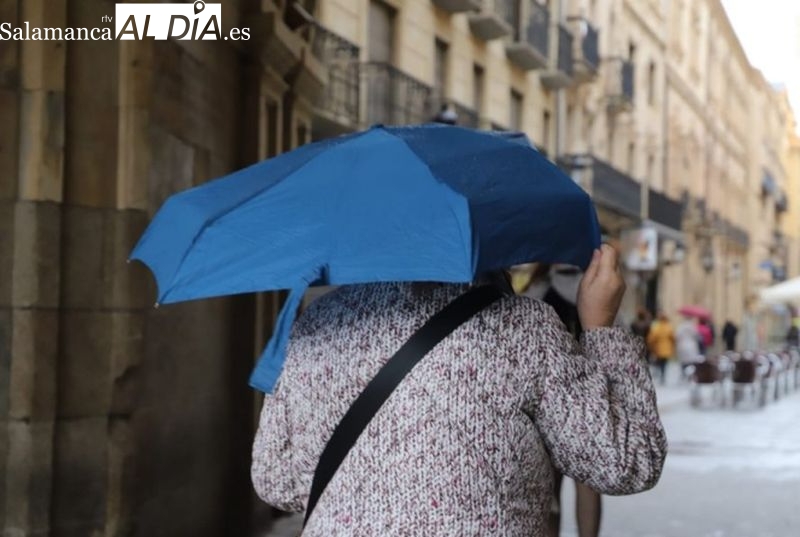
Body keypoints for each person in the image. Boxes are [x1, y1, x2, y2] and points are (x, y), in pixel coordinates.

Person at [251, 245, 666, 535]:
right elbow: (627, 464)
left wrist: (371, 492)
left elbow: (275, 480)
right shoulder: (524, 328)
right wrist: (600, 329)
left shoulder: (315, 323)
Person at [521, 263, 601, 537]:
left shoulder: (537, 292)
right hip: (589, 396)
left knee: (549, 487)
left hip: (549, 399)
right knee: (588, 482)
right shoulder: (593, 287)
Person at [646, 312, 675, 386]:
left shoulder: (656, 327)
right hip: (667, 348)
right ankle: (663, 375)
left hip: (658, 348)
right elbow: (672, 338)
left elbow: (651, 338)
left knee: (660, 362)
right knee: (664, 363)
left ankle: (661, 374)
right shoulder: (669, 327)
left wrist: (651, 346)